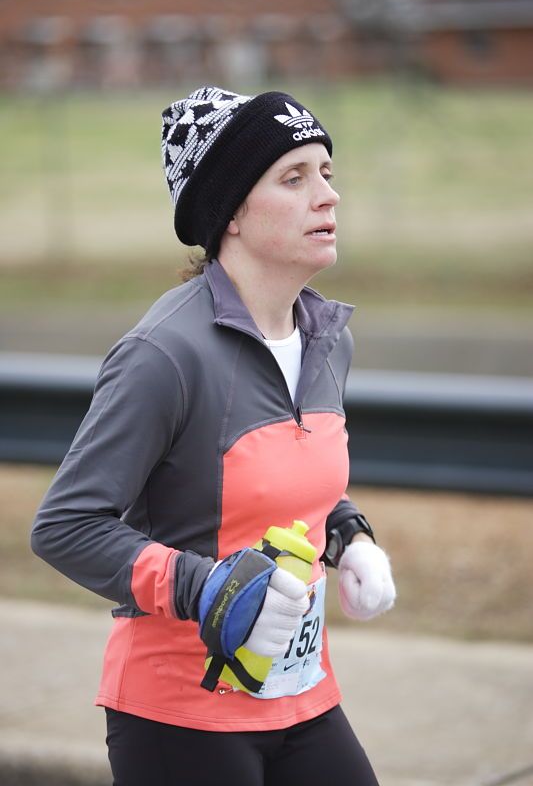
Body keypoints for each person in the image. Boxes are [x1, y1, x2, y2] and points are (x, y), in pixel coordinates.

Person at [31, 85, 396, 786]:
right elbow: (66, 525)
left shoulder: (325, 337)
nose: (327, 196)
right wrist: (211, 591)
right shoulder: (164, 353)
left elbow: (287, 483)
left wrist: (349, 536)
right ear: (230, 210)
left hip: (301, 695)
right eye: (294, 178)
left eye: (327, 173)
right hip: (179, 713)